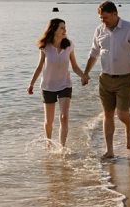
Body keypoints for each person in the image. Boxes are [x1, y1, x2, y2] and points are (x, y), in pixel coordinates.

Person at [83, 1, 130, 160]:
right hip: (105, 78)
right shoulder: (99, 30)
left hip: (126, 78)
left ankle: (128, 129)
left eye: (105, 17)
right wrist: (86, 73)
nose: (102, 21)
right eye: (100, 18)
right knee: (108, 114)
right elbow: (94, 53)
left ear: (115, 14)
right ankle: (109, 150)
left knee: (122, 114)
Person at [27, 18, 88, 146]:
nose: (65, 30)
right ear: (54, 30)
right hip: (48, 86)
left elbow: (75, 66)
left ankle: (62, 148)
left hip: (65, 85)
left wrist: (83, 76)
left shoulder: (69, 45)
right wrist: (31, 84)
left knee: (63, 117)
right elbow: (39, 67)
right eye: (62, 28)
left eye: (65, 27)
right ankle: (49, 145)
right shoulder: (45, 47)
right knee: (49, 121)